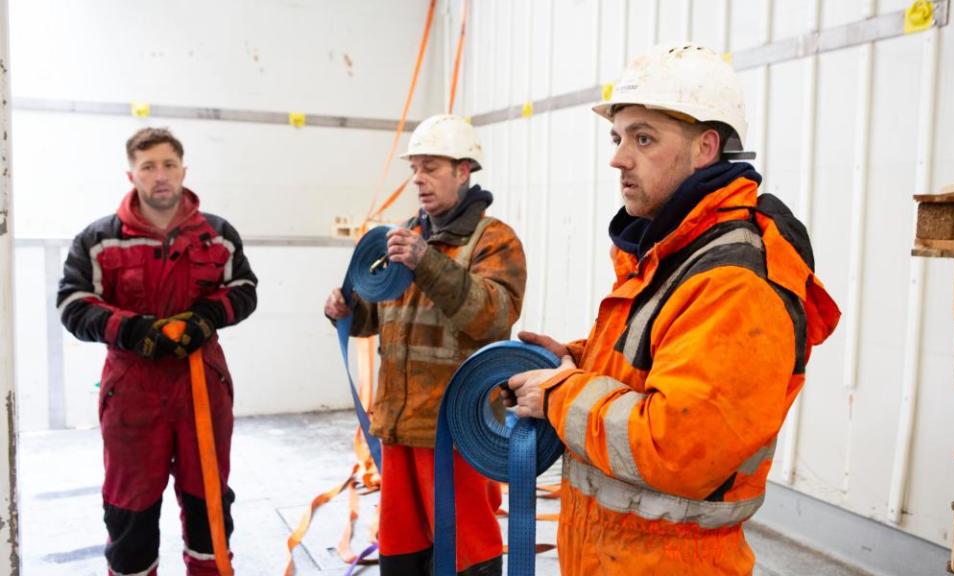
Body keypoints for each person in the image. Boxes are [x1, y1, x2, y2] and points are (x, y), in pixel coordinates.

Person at [505, 44, 840, 574]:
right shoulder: (671, 253)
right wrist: (577, 359)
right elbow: (656, 368)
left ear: (706, 147)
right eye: (618, 138)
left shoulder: (734, 280)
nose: (618, 157)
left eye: (644, 138)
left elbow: (674, 446)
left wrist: (560, 394)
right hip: (616, 554)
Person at [324, 114, 525, 576]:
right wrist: (346, 310)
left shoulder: (494, 241)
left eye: (431, 167)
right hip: (398, 427)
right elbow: (379, 312)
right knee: (402, 552)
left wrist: (427, 262)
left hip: (456, 433)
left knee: (466, 553)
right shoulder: (404, 237)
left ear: (463, 170)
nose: (419, 178)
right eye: (415, 167)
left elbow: (493, 316)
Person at [57, 127, 258, 576]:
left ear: (183, 171)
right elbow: (72, 302)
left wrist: (206, 317)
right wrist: (132, 330)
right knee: (130, 511)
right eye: (148, 166)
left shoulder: (219, 236)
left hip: (202, 387)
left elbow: (244, 289)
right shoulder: (99, 239)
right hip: (132, 393)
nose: (160, 175)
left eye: (168, 165)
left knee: (208, 500)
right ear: (132, 174)